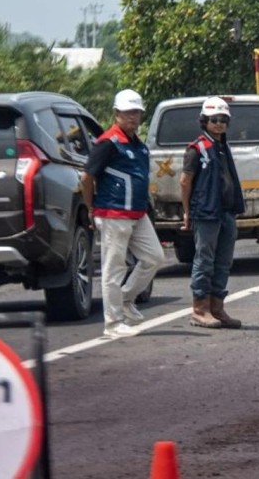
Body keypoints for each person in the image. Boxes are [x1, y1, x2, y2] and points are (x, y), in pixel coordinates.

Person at [81, 89, 165, 338]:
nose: (133, 117)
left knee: (155, 257)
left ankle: (126, 299)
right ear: (116, 114)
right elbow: (87, 177)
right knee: (113, 267)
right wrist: (91, 208)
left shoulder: (138, 145)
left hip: (138, 214)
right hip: (113, 212)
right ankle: (113, 323)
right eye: (128, 112)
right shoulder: (108, 142)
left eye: (136, 112)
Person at [180, 97, 246, 329]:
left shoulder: (222, 146)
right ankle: (200, 309)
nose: (219, 124)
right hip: (206, 213)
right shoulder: (196, 148)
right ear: (204, 121)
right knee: (204, 260)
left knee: (224, 261)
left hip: (226, 212)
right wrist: (187, 212)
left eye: (223, 120)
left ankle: (217, 307)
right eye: (214, 119)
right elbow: (185, 181)